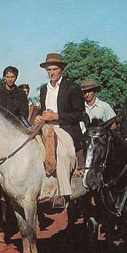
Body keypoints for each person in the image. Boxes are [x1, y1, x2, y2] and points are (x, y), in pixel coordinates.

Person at [34, 53, 85, 208]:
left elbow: (79, 114)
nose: (52, 72)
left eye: (55, 69)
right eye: (49, 69)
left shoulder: (72, 87)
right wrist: (38, 117)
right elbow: (43, 111)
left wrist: (56, 116)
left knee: (62, 153)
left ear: (61, 69)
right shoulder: (44, 89)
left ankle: (62, 194)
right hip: (46, 127)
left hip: (65, 128)